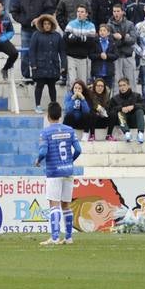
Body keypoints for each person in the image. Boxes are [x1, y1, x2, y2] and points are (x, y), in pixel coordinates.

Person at [35, 101, 81, 246]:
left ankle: (54, 237)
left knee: (54, 205)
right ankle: (68, 237)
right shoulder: (70, 130)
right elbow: (78, 150)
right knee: (66, 205)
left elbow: (43, 151)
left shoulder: (46, 132)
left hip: (54, 172)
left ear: (48, 116)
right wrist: (70, 160)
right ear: (60, 115)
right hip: (68, 171)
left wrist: (38, 160)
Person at [29, 13, 64, 111]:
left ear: (52, 24)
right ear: (42, 24)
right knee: (39, 86)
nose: (47, 26)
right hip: (40, 66)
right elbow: (32, 51)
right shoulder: (36, 35)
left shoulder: (57, 35)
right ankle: (38, 106)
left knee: (52, 86)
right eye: (45, 24)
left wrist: (63, 65)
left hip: (53, 66)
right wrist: (33, 64)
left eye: (49, 24)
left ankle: (53, 106)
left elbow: (62, 52)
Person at [112, 76, 145, 144]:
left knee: (139, 110)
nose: (122, 87)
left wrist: (133, 106)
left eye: (124, 85)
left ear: (128, 86)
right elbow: (110, 110)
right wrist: (121, 108)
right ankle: (127, 133)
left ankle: (140, 134)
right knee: (120, 112)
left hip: (134, 121)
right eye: (120, 86)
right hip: (122, 122)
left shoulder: (137, 96)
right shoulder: (115, 98)